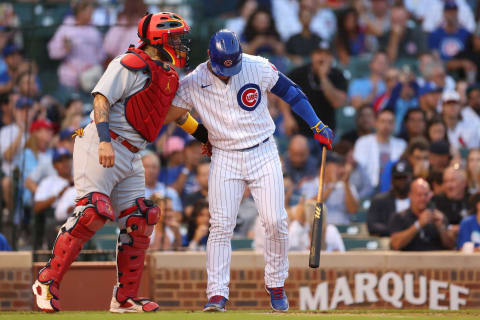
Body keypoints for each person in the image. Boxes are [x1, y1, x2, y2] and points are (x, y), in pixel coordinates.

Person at [32, 12, 201, 313]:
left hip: (132, 151)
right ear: (159, 39)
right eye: (175, 37)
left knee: (141, 217)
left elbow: (169, 115)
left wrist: (203, 135)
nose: (180, 42)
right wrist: (106, 141)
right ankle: (47, 280)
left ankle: (124, 298)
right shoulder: (128, 63)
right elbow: (100, 100)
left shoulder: (167, 74)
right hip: (99, 141)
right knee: (92, 212)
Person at [165, 29, 333, 312]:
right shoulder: (193, 81)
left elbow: (291, 92)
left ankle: (276, 284)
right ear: (210, 57)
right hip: (225, 156)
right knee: (220, 226)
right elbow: (171, 114)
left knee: (275, 221)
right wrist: (201, 135)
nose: (228, 72)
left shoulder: (256, 66)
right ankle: (217, 294)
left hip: (263, 150)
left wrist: (316, 124)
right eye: (222, 68)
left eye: (233, 65)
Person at [280, 42, 348, 135]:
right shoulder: (299, 73)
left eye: (327, 54)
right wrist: (287, 117)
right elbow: (283, 93)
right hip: (301, 130)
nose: (322, 58)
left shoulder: (337, 75)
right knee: (298, 146)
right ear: (312, 56)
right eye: (319, 53)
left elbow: (337, 102)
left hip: (327, 131)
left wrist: (323, 77)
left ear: (332, 58)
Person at [47, 0, 105, 97]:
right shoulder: (66, 27)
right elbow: (52, 52)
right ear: (79, 12)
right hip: (70, 82)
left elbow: (101, 55)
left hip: (90, 82)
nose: (91, 13)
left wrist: (92, 67)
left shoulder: (94, 30)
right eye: (88, 10)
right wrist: (64, 48)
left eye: (91, 10)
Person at [389, 178, 455, 251]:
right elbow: (396, 244)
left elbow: (451, 246)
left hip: (435, 260)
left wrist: (441, 228)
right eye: (419, 195)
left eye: (426, 194)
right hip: (408, 261)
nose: (423, 198)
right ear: (410, 195)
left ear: (430, 195)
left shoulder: (438, 216)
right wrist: (418, 224)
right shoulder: (399, 217)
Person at [353, 108, 406, 190]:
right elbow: (359, 167)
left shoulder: (401, 144)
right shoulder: (363, 142)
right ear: (376, 123)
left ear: (394, 125)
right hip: (369, 187)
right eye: (383, 121)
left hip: (393, 189)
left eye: (390, 122)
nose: (386, 125)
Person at [300, 152, 358, 225]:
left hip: (341, 230)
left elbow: (353, 210)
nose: (341, 170)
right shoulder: (310, 184)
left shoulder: (347, 186)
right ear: (325, 167)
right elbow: (309, 207)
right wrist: (331, 186)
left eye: (342, 166)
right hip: (318, 230)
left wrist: (346, 184)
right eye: (337, 166)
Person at [33, 148, 73, 251]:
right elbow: (37, 207)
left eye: (67, 159)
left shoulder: (80, 179)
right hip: (57, 220)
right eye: (60, 161)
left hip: (79, 216)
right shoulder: (47, 182)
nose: (65, 163)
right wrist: (58, 194)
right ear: (54, 165)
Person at [368, 159, 412, 237]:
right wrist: (396, 231)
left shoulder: (417, 199)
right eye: (398, 178)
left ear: (410, 179)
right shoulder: (379, 200)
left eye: (404, 178)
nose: (401, 181)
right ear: (392, 180)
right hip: (387, 242)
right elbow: (372, 226)